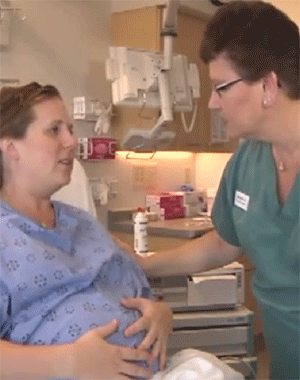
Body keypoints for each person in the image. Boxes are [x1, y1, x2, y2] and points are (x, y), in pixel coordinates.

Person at [132, 1, 299, 379]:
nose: (212, 102)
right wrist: (146, 264)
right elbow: (224, 242)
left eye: (221, 87)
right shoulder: (247, 162)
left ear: (269, 86)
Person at [0, 82, 173, 380]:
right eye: (54, 130)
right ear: (11, 147)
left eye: (70, 129)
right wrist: (68, 363)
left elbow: (139, 293)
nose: (71, 141)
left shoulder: (83, 223)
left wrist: (161, 314)